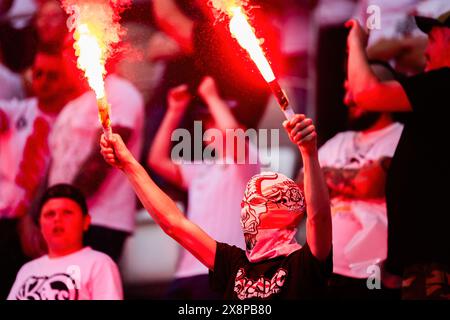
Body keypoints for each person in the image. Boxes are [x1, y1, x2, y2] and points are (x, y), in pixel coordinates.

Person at [101, 113, 332, 300]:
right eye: (247, 201)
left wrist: (309, 152)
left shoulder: (305, 262)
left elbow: (318, 217)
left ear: (288, 211)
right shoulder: (233, 264)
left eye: (260, 200)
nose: (248, 208)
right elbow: (174, 223)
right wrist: (129, 165)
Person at [346, 11, 450, 299]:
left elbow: (366, 93)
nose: (426, 50)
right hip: (425, 262)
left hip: (437, 264)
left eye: (433, 39)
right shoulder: (436, 92)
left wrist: (355, 42)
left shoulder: (444, 85)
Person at [148, 76, 260, 299]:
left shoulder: (248, 160)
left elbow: (233, 136)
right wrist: (174, 111)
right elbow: (156, 160)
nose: (209, 127)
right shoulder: (201, 168)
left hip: (223, 270)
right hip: (186, 273)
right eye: (207, 122)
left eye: (215, 120)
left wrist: (212, 96)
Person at [307, 61, 404, 299]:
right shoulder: (339, 140)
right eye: (347, 91)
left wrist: (324, 176)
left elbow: (369, 183)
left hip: (372, 275)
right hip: (324, 271)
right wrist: (354, 178)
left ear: (378, 89)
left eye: (355, 90)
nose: (347, 100)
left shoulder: (402, 136)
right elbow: (301, 189)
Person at [0, 49, 76, 299]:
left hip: (40, 223)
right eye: (38, 73)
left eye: (52, 75)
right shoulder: (17, 110)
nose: (42, 80)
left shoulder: (72, 119)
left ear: (66, 79)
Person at [47, 72, 144, 263]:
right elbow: (54, 162)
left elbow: (98, 165)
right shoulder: (74, 104)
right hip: (61, 218)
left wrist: (62, 210)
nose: (73, 53)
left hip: (98, 221)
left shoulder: (121, 93)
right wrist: (38, 216)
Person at [8, 184, 123, 300]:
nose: (57, 219)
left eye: (67, 212)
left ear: (86, 221)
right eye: (50, 214)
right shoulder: (27, 270)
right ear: (40, 224)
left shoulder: (99, 263)